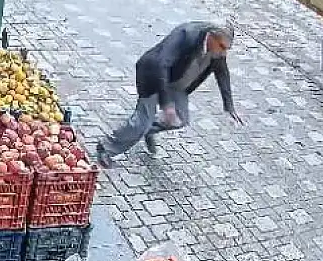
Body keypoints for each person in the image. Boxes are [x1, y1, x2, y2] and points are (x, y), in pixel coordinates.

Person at [95, 22, 244, 168]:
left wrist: (229, 107)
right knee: (142, 121)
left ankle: (146, 130)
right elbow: (161, 64)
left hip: (177, 83)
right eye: (222, 47)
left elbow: (222, 72)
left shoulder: (217, 52)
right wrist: (167, 104)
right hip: (153, 76)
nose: (223, 53)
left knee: (181, 119)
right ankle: (106, 147)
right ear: (211, 36)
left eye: (227, 49)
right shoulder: (186, 34)